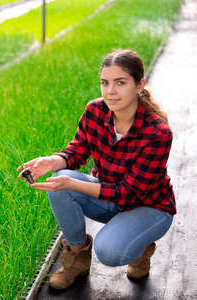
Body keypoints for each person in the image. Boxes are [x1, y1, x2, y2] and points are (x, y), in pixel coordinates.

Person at [17, 49, 175, 290]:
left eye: (120, 83)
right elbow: (76, 152)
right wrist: (53, 161)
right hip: (109, 198)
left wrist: (73, 184)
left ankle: (141, 250)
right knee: (59, 180)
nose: (110, 91)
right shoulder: (95, 111)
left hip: (149, 207)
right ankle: (77, 259)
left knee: (109, 251)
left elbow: (128, 193)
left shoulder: (157, 133)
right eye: (105, 83)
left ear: (139, 84)